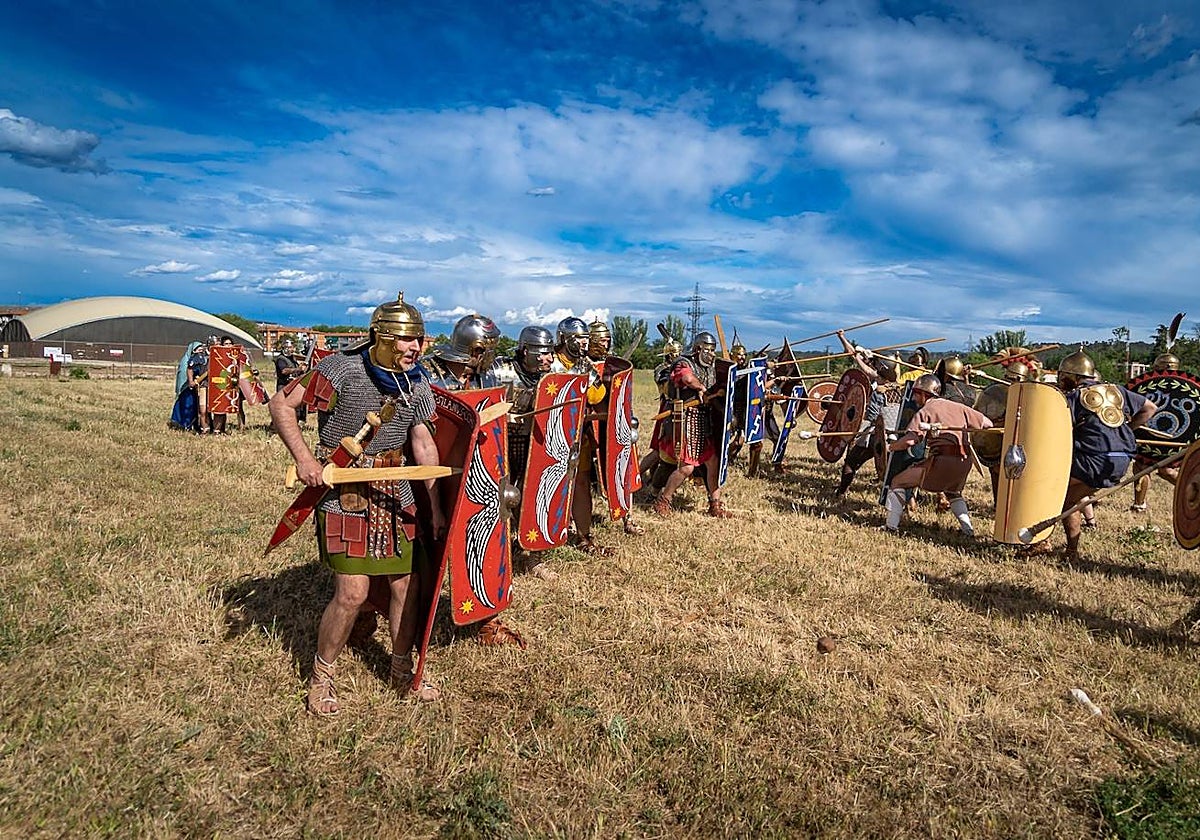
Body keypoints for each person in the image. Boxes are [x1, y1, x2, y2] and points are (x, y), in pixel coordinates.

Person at [269, 291, 447, 714]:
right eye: (406, 341)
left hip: (393, 492)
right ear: (380, 337)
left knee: (407, 585)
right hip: (345, 493)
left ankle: (401, 669)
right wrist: (306, 458)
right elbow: (281, 403)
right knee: (352, 592)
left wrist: (436, 508)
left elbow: (422, 444)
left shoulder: (417, 384)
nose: (415, 349)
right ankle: (321, 676)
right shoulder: (342, 369)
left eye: (418, 340)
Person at [1043, 349, 1156, 560]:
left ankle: (1047, 543)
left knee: (1049, 490)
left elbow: (1059, 428)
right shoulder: (1117, 391)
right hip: (1123, 459)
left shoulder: (1074, 397)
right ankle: (1066, 549)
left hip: (1093, 459)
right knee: (1069, 499)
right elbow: (1150, 408)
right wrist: (1126, 430)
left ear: (1072, 377)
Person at [882, 374, 993, 536]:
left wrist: (890, 447)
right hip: (964, 462)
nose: (913, 398)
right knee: (953, 492)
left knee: (897, 482)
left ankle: (891, 526)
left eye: (915, 393)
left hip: (942, 461)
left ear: (923, 393)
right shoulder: (959, 407)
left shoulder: (926, 410)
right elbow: (988, 424)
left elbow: (911, 440)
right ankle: (968, 530)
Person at [650, 331, 733, 518]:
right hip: (685, 420)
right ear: (697, 349)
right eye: (708, 350)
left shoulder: (710, 367)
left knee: (713, 464)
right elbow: (687, 378)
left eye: (713, 350)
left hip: (703, 420)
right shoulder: (683, 363)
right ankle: (663, 500)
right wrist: (701, 388)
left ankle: (715, 505)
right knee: (686, 467)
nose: (711, 354)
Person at [831, 330, 901, 496]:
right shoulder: (900, 389)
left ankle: (842, 491)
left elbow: (872, 416)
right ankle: (908, 502)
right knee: (897, 470)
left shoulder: (879, 388)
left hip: (875, 436)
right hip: (897, 437)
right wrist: (844, 339)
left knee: (851, 462)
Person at [1130, 351, 1183, 512]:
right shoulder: (1147, 386)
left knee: (1152, 468)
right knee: (1146, 467)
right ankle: (1139, 504)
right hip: (1151, 434)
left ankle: (1192, 490)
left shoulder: (1182, 388)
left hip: (1176, 436)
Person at [423, 314, 503, 389]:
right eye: (481, 350)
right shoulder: (424, 373)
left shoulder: (491, 374)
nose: (488, 356)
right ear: (474, 350)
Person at [274, 339, 308, 427]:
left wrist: (303, 369)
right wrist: (298, 369)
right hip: (284, 385)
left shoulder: (293, 359)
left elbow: (297, 371)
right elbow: (284, 371)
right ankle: (276, 426)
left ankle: (294, 425)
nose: (290, 349)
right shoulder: (280, 359)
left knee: (296, 407)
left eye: (291, 347)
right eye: (288, 347)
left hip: (293, 385)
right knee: (282, 407)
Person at [187, 338, 214, 434]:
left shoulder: (220, 355)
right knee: (203, 409)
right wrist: (191, 381)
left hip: (216, 385)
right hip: (203, 385)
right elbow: (190, 368)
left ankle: (216, 428)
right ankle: (204, 429)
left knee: (215, 409)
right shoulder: (200, 356)